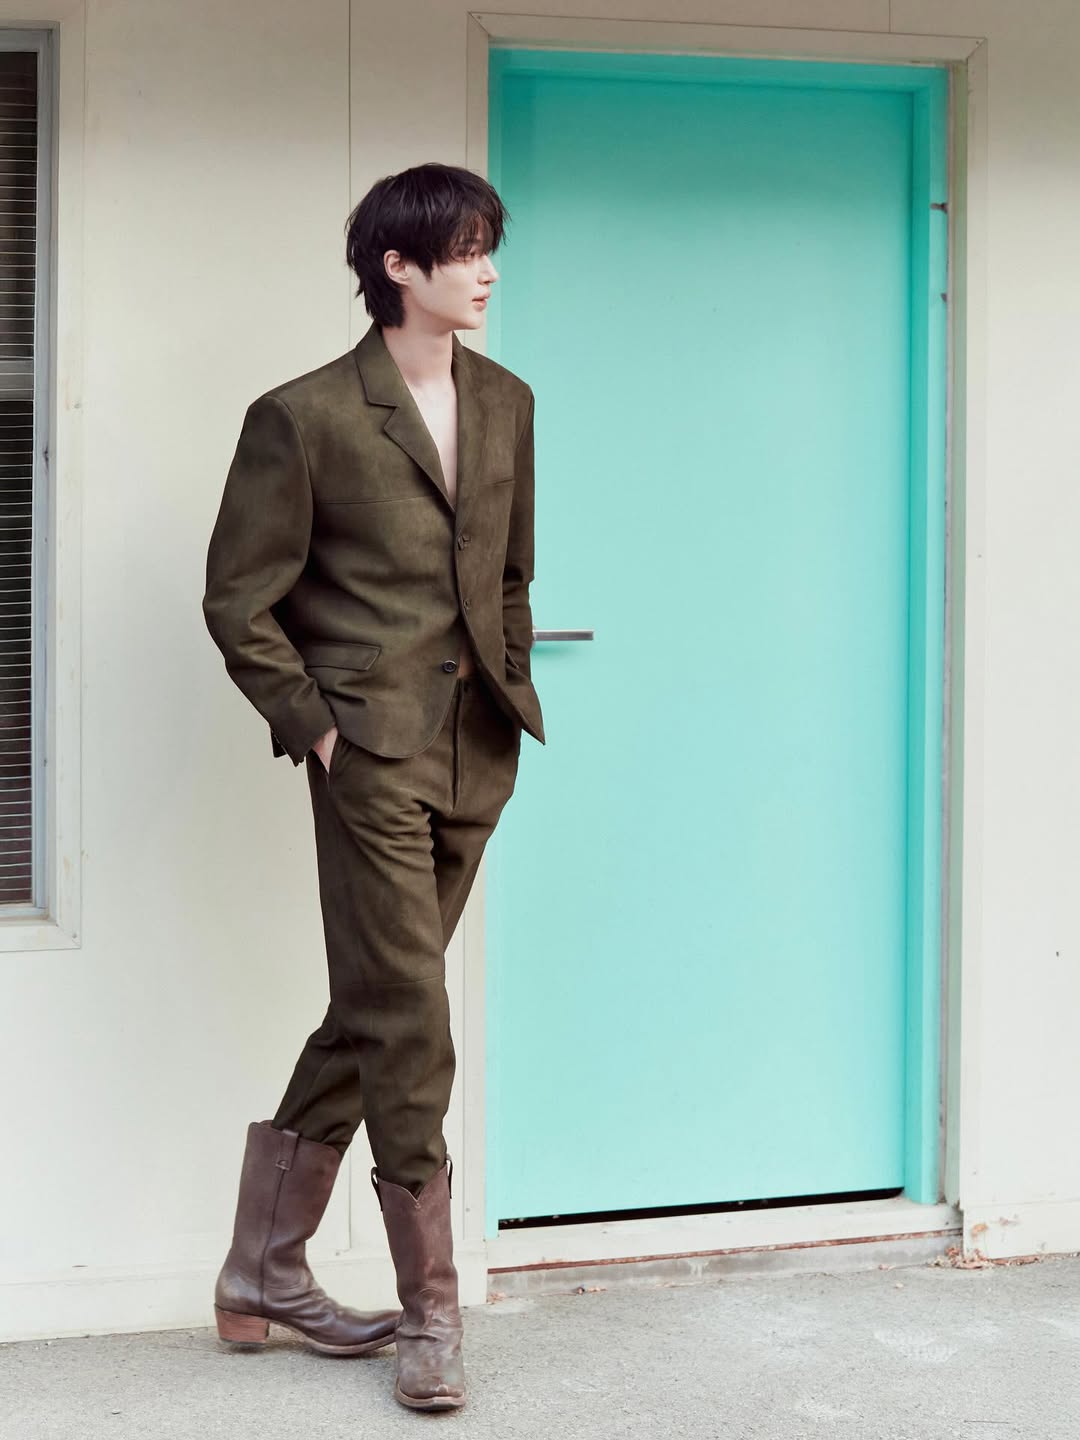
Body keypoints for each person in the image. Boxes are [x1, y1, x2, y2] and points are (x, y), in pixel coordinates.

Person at [201, 161, 545, 1411]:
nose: (487, 271)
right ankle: (431, 1316)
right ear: (398, 266)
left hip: (477, 749)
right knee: (411, 1012)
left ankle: (261, 1271)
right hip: (370, 754)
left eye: (490, 247)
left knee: (379, 1002)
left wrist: (509, 685)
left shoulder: (506, 400)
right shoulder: (303, 417)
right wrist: (319, 731)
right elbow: (238, 600)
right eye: (465, 250)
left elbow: (508, 576)